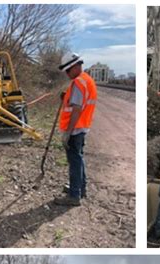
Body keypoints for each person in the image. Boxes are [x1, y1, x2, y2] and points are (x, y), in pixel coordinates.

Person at [55, 52, 97, 206]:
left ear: (74, 66)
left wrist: (68, 132)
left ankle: (74, 195)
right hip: (82, 128)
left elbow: (77, 109)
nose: (67, 74)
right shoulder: (87, 80)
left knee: (74, 161)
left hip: (75, 129)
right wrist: (66, 96)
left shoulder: (78, 83)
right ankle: (81, 188)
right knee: (78, 159)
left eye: (67, 70)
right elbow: (78, 101)